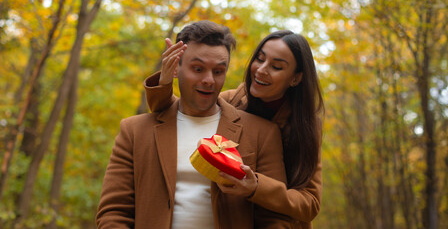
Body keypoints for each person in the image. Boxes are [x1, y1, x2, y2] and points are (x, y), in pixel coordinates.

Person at [96, 20, 293, 228]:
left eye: (218, 71)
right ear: (174, 68)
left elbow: (277, 218)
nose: (209, 80)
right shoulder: (134, 131)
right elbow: (113, 213)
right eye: (198, 69)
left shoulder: (262, 133)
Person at [144, 30, 324, 229]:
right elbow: (179, 112)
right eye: (260, 59)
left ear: (295, 78)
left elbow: (310, 203)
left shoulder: (305, 128)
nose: (261, 70)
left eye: (276, 66)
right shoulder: (231, 101)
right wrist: (165, 81)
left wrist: (257, 186)